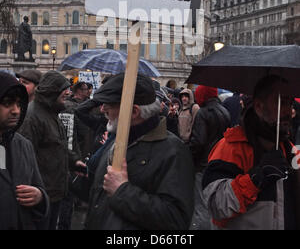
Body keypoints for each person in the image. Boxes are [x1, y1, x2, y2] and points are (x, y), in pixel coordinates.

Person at [84, 72, 195, 230]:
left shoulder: (173, 152)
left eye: (109, 103)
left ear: (134, 112)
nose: (102, 109)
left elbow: (175, 219)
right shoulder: (117, 142)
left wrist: (122, 191)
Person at [203, 75, 300, 230]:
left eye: (290, 103)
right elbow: (216, 204)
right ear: (259, 106)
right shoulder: (230, 147)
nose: (288, 110)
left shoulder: (290, 150)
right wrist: (256, 178)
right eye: (280, 102)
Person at [19, 70, 85, 230]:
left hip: (53, 193)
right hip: (41, 195)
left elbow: (58, 146)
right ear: (52, 93)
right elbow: (25, 160)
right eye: (64, 90)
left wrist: (74, 161)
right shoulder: (32, 117)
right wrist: (35, 191)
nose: (68, 93)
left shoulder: (52, 114)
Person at [0, 72, 49, 230]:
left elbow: (38, 186)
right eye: (7, 103)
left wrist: (39, 197)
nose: (16, 111)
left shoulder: (24, 145)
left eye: (19, 104)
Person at [189, 85, 231, 230]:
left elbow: (198, 141)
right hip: (219, 162)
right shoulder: (224, 111)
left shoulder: (203, 113)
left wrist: (190, 158)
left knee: (201, 204)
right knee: (214, 203)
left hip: (203, 164)